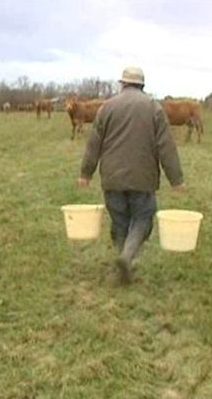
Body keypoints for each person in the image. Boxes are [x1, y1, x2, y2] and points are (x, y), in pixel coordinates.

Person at [77, 66, 185, 285]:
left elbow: (93, 144)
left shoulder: (106, 108)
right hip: (142, 179)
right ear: (142, 85)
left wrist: (85, 173)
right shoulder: (154, 108)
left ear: (122, 83)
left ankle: (122, 261)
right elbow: (166, 146)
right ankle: (126, 258)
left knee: (119, 221)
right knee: (142, 218)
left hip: (112, 178)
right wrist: (176, 179)